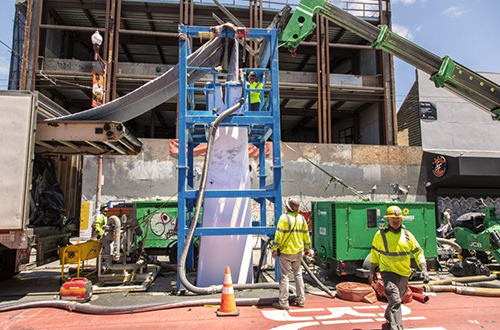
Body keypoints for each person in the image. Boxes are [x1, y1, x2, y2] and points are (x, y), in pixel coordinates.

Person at [370, 205, 431, 330]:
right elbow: (375, 253)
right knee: (396, 300)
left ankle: (388, 315)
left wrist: (424, 269)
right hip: (388, 273)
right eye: (393, 218)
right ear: (387, 220)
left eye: (398, 218)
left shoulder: (408, 236)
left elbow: (418, 252)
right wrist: (372, 271)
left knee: (396, 300)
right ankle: (396, 327)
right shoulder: (380, 235)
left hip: (404, 274)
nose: (396, 221)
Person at [272, 197, 311, 310]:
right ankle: (301, 300)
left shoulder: (283, 218)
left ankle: (283, 302)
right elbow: (306, 235)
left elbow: (278, 236)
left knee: (284, 277)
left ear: (288, 207)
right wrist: (307, 248)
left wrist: (274, 249)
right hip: (298, 252)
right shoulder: (301, 219)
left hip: (286, 252)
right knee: (298, 275)